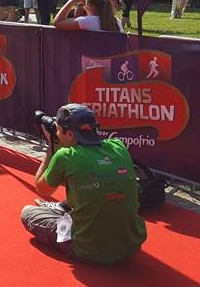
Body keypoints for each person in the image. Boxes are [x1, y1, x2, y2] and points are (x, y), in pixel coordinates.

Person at [20, 103, 146, 264]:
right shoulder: (118, 146)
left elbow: (42, 188)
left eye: (58, 130)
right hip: (131, 245)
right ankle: (63, 208)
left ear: (70, 134)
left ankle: (65, 219)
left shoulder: (65, 156)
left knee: (27, 212)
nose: (56, 133)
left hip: (86, 249)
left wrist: (51, 148)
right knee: (90, 190)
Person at [53, 0, 122, 32]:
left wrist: (71, 1)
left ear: (87, 3)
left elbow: (57, 22)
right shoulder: (117, 22)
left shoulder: (86, 22)